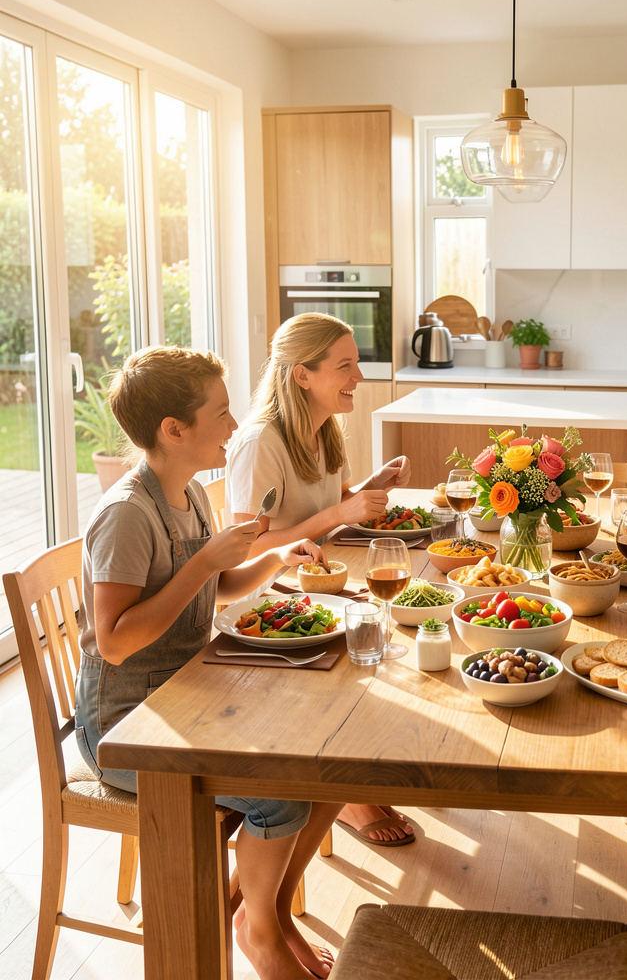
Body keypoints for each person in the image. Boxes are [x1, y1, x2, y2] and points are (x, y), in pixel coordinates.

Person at [75, 346, 343, 980]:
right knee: (280, 796)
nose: (233, 426)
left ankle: (266, 911)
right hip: (127, 726)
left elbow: (215, 589)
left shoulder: (190, 492)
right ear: (174, 431)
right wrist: (203, 561)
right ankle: (262, 934)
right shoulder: (126, 516)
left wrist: (279, 557)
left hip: (187, 694)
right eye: (221, 414)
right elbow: (113, 642)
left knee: (323, 762)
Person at [226, 312, 416, 847]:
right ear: (302, 375)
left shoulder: (324, 429)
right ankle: (346, 792)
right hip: (265, 606)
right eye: (345, 366)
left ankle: (352, 775)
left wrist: (369, 489)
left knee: (396, 636)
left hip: (317, 587)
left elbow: (326, 504)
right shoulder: (260, 441)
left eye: (355, 363)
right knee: (375, 640)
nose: (358, 376)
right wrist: (341, 514)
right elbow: (244, 551)